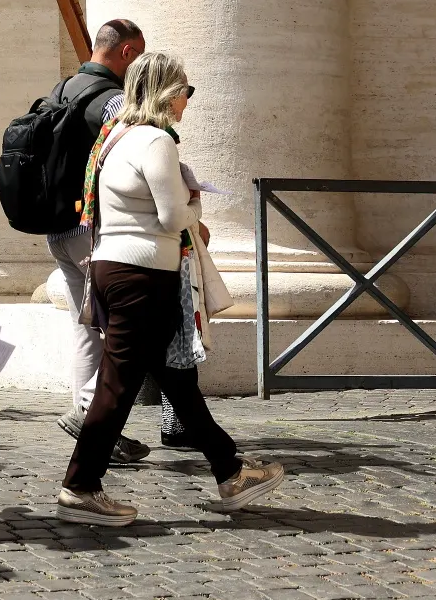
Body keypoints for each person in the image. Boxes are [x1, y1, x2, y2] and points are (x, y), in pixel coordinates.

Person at [57, 52, 287, 526]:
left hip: (116, 269)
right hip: (142, 276)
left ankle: (230, 472)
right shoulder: (157, 141)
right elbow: (171, 217)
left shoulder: (115, 137)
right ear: (167, 92)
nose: (188, 100)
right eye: (187, 90)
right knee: (117, 384)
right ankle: (80, 485)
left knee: (177, 381)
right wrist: (197, 204)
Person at [45, 18, 152, 460]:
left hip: (57, 228)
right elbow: (130, 156)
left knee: (85, 327)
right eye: (139, 55)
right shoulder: (114, 102)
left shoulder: (61, 90)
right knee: (121, 330)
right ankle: (92, 414)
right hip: (94, 229)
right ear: (125, 53)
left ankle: (89, 420)